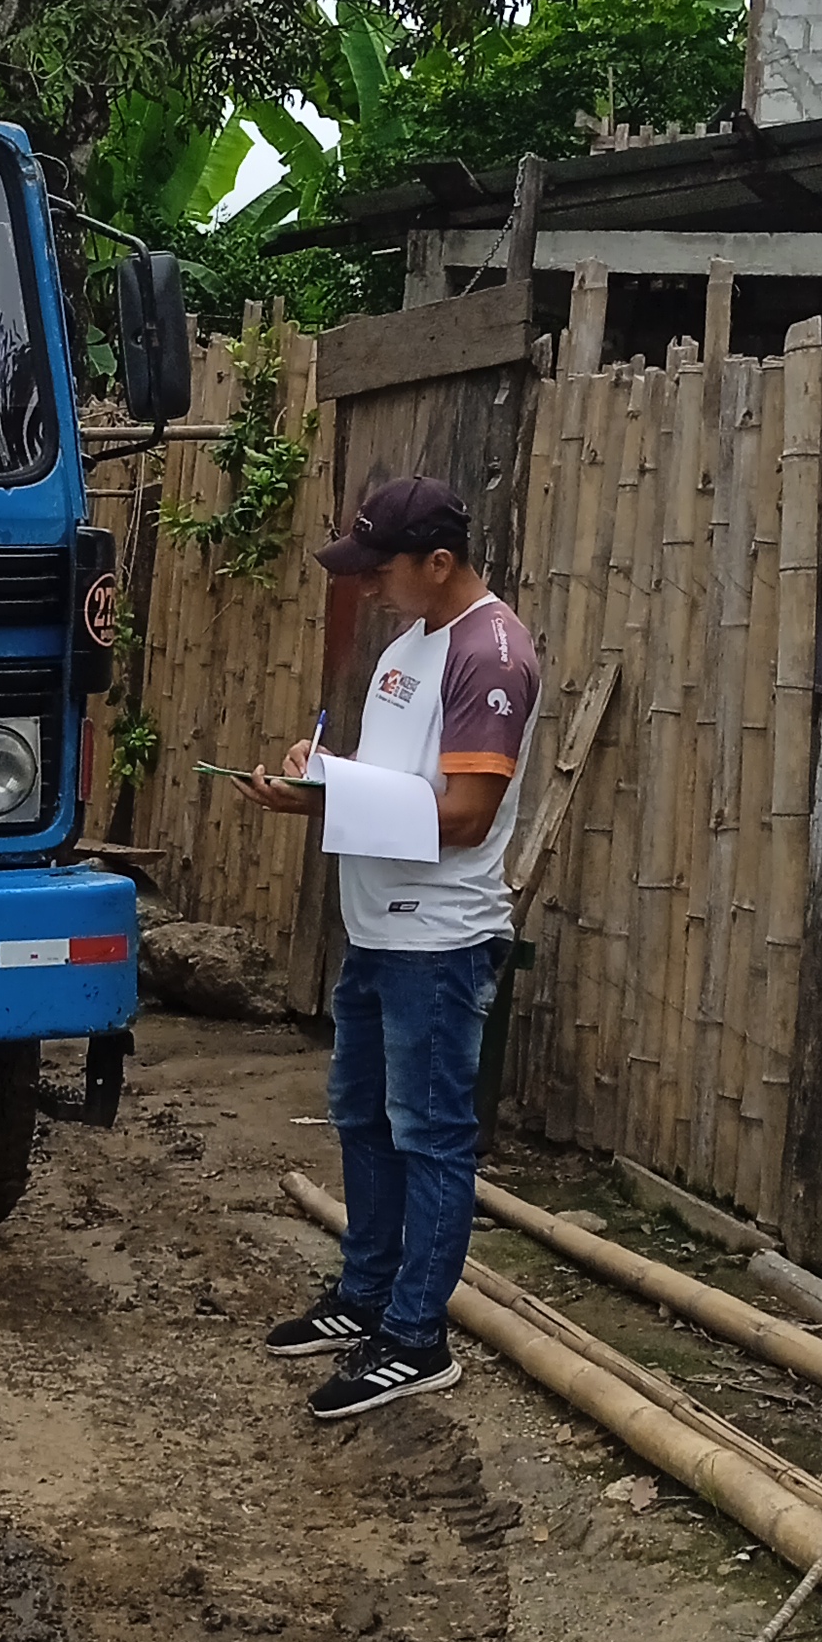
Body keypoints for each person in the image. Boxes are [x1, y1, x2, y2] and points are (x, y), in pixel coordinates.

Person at [236, 475, 541, 1421]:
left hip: (438, 937)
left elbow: (466, 813)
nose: (366, 585)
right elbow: (396, 782)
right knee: (363, 1118)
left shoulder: (491, 654)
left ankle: (416, 1337)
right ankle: (365, 1296)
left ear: (438, 563)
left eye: (381, 569)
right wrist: (321, 779)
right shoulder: (410, 644)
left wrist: (333, 796)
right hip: (376, 927)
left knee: (431, 1134)